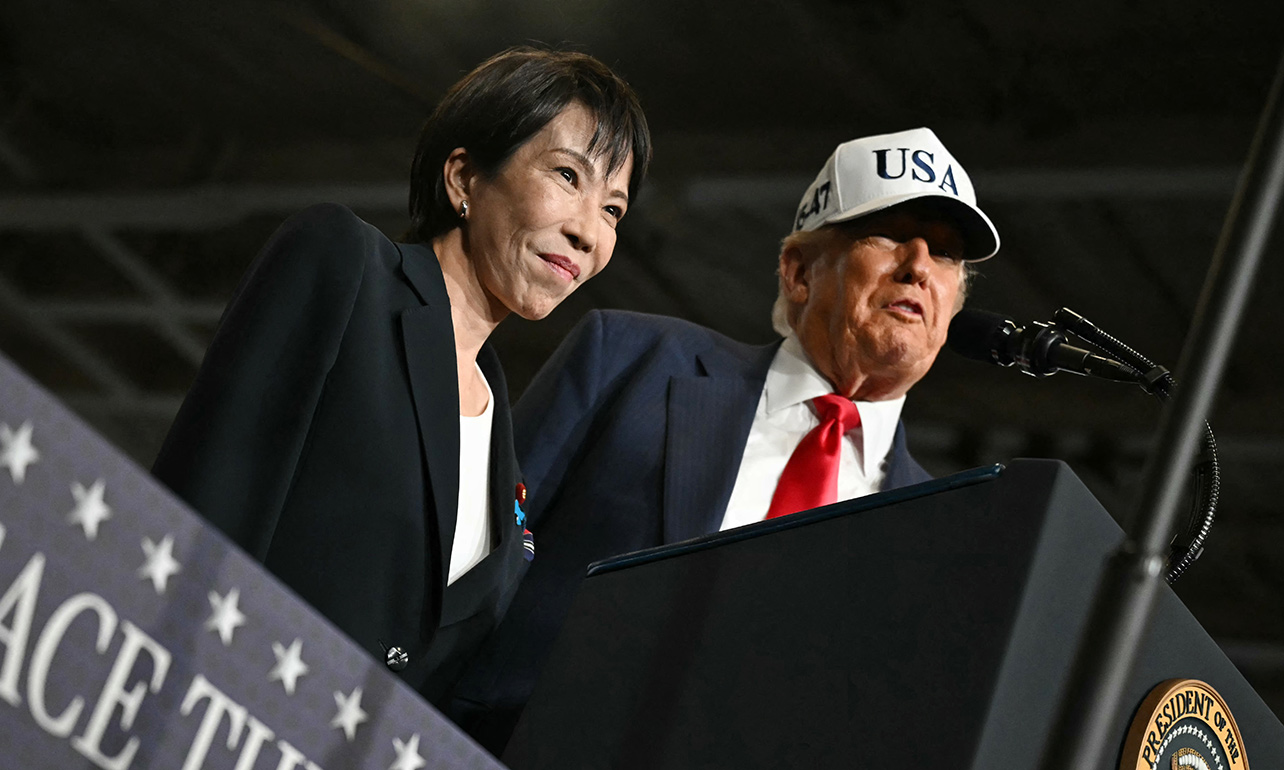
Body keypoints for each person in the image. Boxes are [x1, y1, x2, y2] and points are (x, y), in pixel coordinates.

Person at [445, 127, 1000, 750]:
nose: (920, 265)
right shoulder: (631, 361)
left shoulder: (943, 529)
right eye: (890, 234)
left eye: (948, 254)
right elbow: (471, 557)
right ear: (798, 272)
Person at [151, 47, 650, 704]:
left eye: (613, 209)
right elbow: (202, 504)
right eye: (567, 175)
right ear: (464, 178)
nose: (590, 231)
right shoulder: (345, 269)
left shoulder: (502, 424)